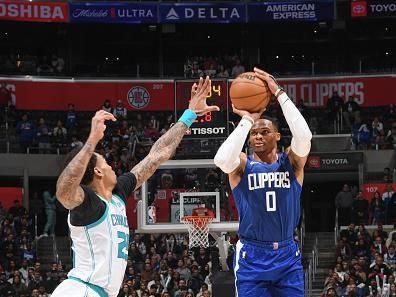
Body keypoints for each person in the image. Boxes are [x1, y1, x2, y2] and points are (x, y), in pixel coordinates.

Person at [50, 76, 218, 297]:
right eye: (106, 163)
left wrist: (189, 115)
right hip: (80, 291)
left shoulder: (118, 193)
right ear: (98, 172)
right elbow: (63, 192)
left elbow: (155, 156)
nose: (112, 167)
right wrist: (91, 142)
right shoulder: (87, 203)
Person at [214, 67, 312, 296]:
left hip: (287, 255)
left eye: (264, 132)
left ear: (277, 136)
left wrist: (278, 92)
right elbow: (221, 160)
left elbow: (304, 137)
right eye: (254, 133)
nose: (258, 136)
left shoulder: (292, 162)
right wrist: (248, 120)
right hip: (252, 256)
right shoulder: (241, 165)